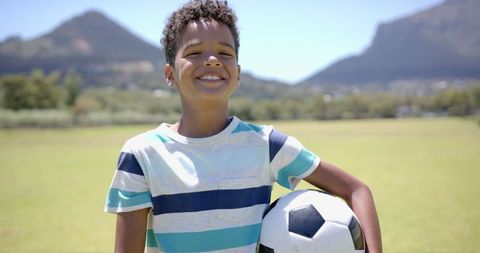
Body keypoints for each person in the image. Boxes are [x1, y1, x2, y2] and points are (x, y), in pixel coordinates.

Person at [105, 0, 382, 252]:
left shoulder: (267, 145)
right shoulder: (141, 155)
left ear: (237, 74)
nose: (212, 60)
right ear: (170, 74)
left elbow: (357, 190)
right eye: (196, 51)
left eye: (225, 53)